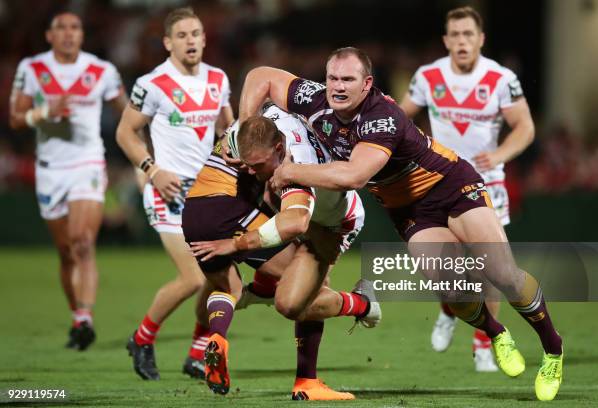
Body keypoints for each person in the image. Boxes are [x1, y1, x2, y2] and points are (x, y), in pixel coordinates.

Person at [237, 47, 563, 401]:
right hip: (410, 211)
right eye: (333, 78)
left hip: (451, 186)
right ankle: (496, 332)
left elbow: (355, 175)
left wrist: (290, 171)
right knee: (452, 289)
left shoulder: (381, 116)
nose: (338, 86)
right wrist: (243, 128)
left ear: (367, 84)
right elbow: (261, 76)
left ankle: (553, 350)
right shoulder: (315, 99)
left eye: (348, 79)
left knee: (501, 273)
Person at [187, 105, 380, 399]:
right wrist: (237, 242)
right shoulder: (264, 143)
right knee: (300, 297)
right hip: (239, 210)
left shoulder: (290, 160)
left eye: (256, 164)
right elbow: (293, 222)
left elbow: (295, 220)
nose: (249, 169)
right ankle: (360, 307)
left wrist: (238, 242)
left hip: (194, 215)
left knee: (230, 289)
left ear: (278, 147)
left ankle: (217, 337)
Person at [399, 6, 535, 372]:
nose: (462, 41)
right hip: (438, 183)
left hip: (486, 183)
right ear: (446, 40)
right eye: (455, 35)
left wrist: (501, 153)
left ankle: (484, 345)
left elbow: (524, 126)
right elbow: (399, 116)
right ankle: (448, 308)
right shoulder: (428, 77)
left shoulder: (501, 78)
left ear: (481, 39)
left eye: (468, 34)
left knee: (492, 268)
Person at [115, 7, 233, 380]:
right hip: (168, 193)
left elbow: (228, 130)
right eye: (182, 35)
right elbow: (125, 132)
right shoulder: (152, 83)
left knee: (224, 282)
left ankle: (197, 354)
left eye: (196, 33)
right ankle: (142, 337)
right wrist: (152, 170)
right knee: (195, 278)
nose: (191, 41)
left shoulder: (218, 79)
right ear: (168, 43)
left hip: (207, 195)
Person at [9, 12, 127, 351]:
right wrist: (44, 112)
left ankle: (85, 318)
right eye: (61, 27)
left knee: (82, 243)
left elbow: (127, 112)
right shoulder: (32, 69)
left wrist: (139, 151)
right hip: (49, 169)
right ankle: (77, 314)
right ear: (49, 35)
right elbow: (16, 118)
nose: (68, 33)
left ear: (82, 34)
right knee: (65, 252)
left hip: (87, 163)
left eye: (75, 27)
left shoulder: (100, 71)